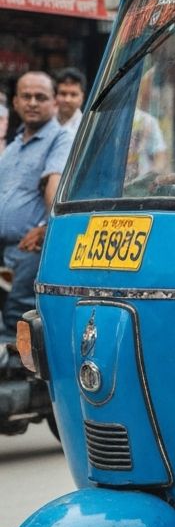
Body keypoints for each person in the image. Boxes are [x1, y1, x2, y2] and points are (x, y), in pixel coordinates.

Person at [0, 72, 72, 339]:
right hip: (7, 251)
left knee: (18, 321)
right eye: (26, 97)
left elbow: (55, 192)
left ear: (54, 103)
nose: (32, 102)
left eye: (40, 97)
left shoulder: (61, 139)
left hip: (32, 250)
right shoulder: (14, 147)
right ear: (16, 102)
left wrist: (46, 228)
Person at [55, 67, 87, 140]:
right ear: (55, 95)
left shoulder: (85, 128)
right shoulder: (45, 120)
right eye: (63, 93)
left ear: (82, 97)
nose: (67, 100)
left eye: (73, 94)